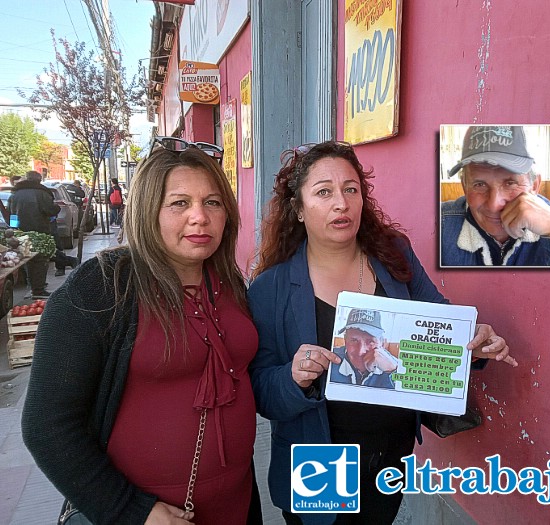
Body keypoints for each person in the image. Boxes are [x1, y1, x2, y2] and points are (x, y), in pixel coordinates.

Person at [247, 141, 518, 525]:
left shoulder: (393, 254)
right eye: (323, 192)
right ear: (298, 209)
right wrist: (292, 378)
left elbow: (435, 315)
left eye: (350, 189)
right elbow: (259, 389)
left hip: (389, 454)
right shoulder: (270, 290)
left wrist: (471, 341)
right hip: (319, 457)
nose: (341, 203)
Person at [22, 143, 262, 524]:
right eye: (179, 203)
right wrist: (132, 511)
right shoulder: (100, 287)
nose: (200, 217)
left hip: (235, 505)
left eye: (213, 202)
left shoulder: (229, 283)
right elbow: (46, 426)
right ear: (149, 210)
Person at [441, 125, 550, 266]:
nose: (494, 205)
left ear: (534, 185)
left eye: (510, 183)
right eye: (479, 184)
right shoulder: (437, 224)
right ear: (465, 186)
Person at [7, 170, 60, 298]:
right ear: (39, 180)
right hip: (40, 232)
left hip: (22, 232)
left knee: (28, 260)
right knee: (40, 261)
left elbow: (11, 214)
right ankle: (38, 290)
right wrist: (57, 207)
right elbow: (50, 210)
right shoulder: (42, 193)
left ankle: (33, 287)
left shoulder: (15, 194)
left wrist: (15, 229)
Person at [329, 308, 398, 389]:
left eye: (371, 341)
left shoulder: (396, 367)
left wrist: (392, 372)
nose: (360, 351)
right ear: (345, 339)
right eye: (354, 340)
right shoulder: (330, 359)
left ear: (382, 343)